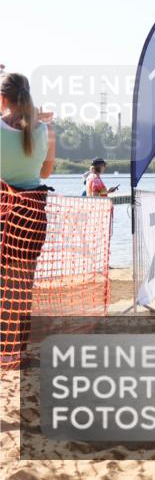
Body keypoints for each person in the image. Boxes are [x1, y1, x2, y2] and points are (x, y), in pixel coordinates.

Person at [0, 72, 56, 365]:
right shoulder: (45, 130)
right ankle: (17, 349)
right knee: (22, 283)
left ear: (3, 98)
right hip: (33, 212)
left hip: (3, 209)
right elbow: (45, 174)